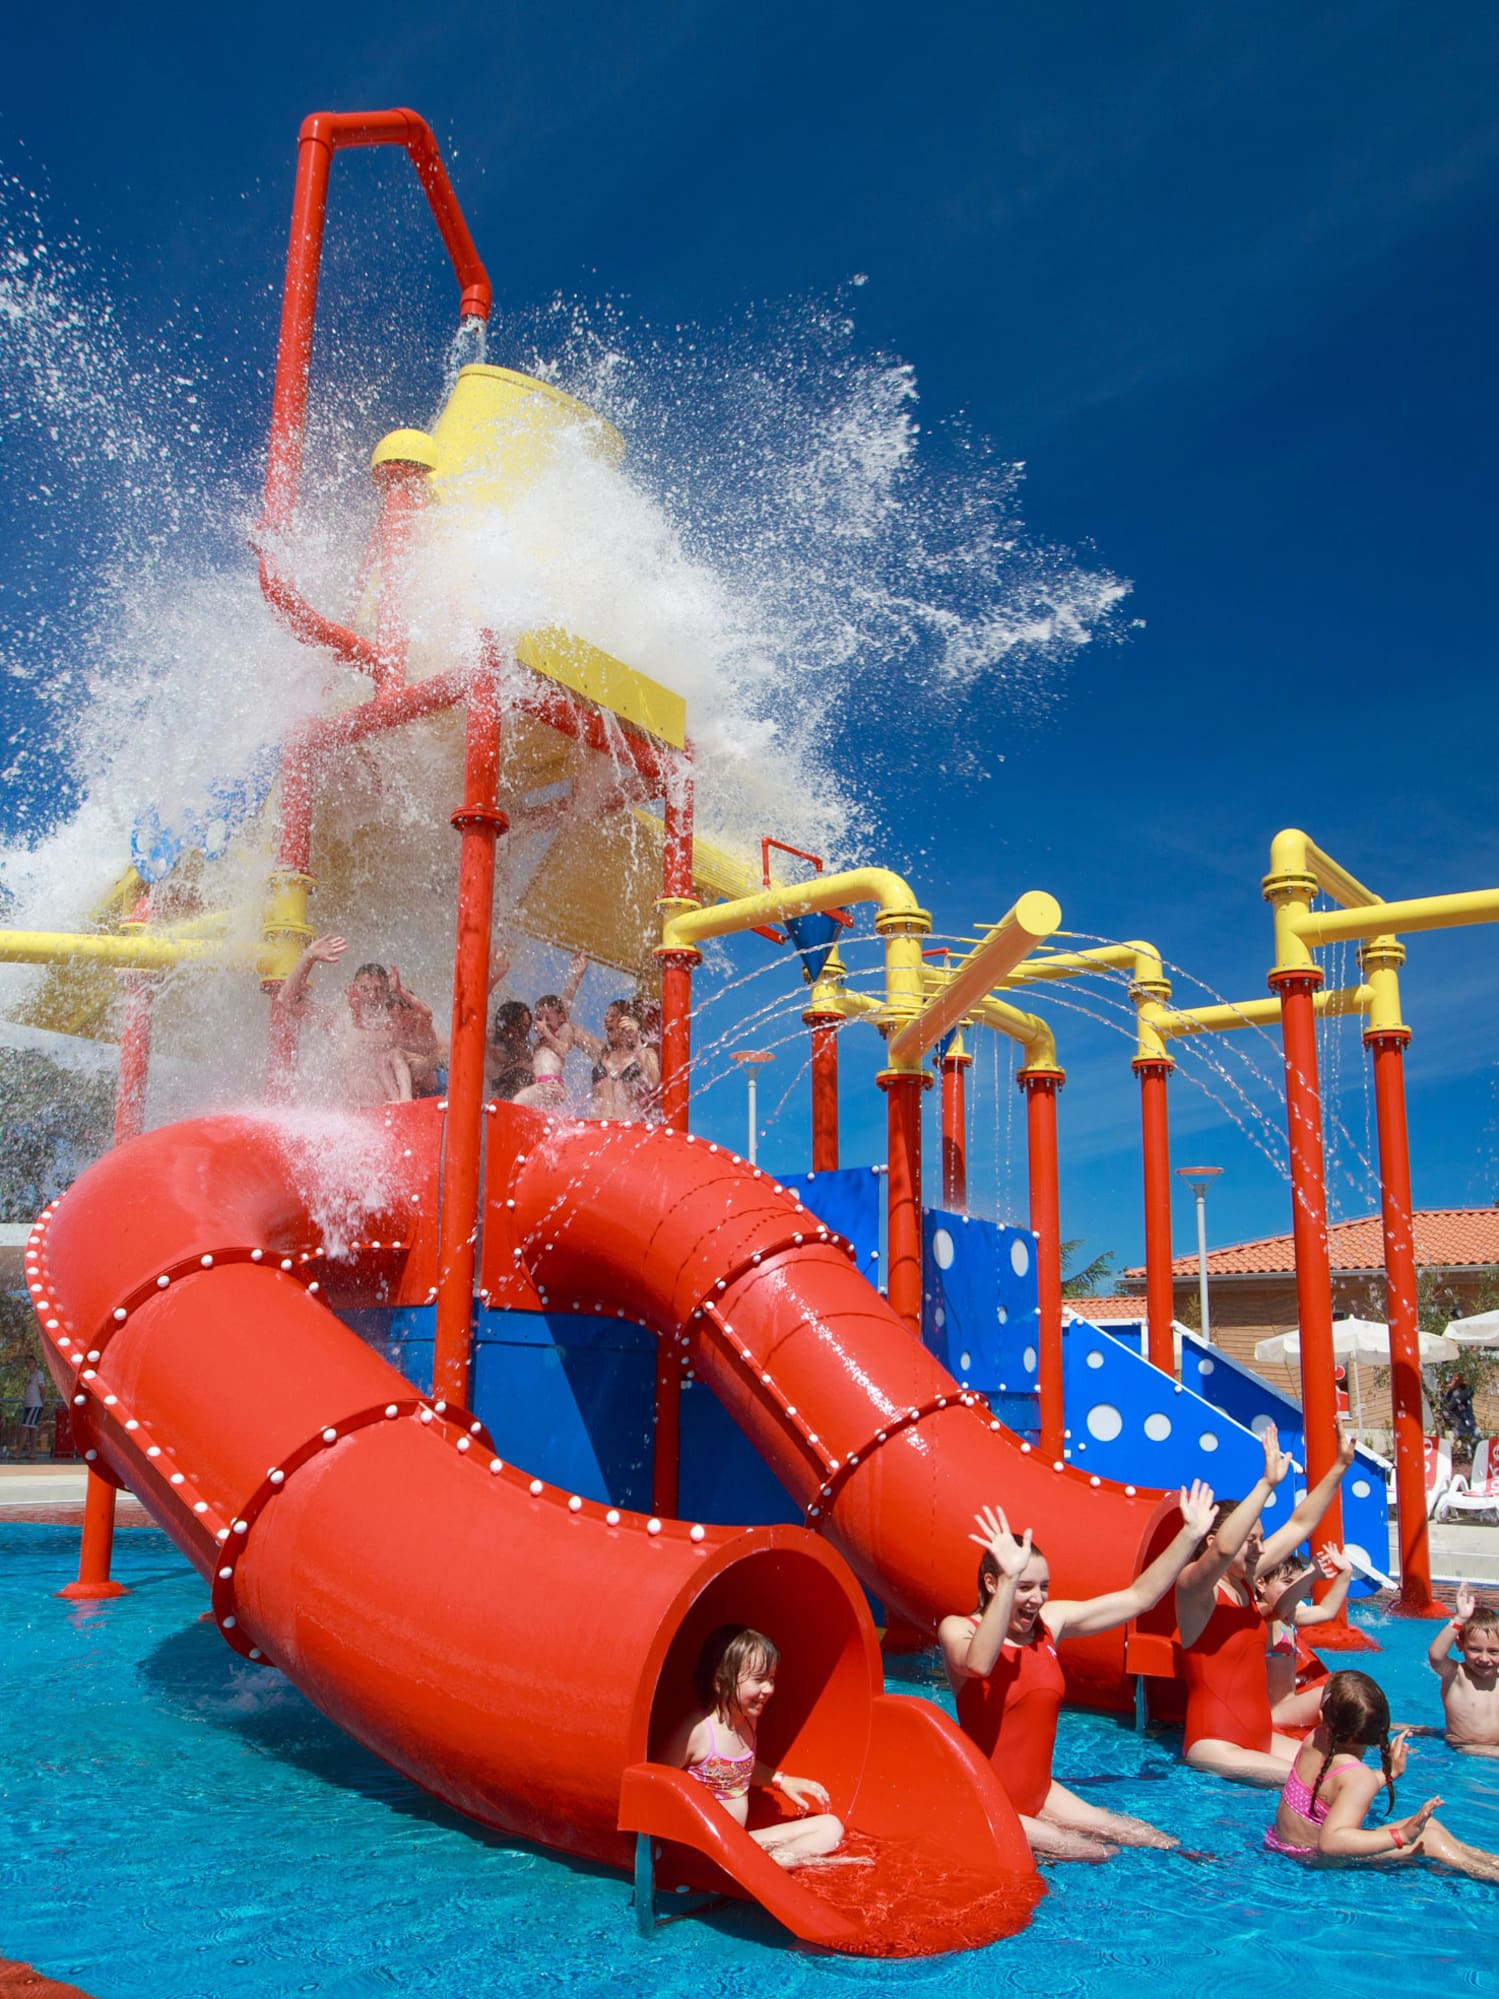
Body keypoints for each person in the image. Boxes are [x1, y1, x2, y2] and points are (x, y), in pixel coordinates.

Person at [938, 1483, 1215, 1862]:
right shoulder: (959, 1628)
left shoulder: (1050, 1624)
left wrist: (1190, 1536)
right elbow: (978, 1664)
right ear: (993, 1583)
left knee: (1151, 1838)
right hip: (987, 1800)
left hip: (1042, 1792)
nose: (1037, 1598)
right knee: (1095, 1854)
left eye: (1043, 1587)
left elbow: (1138, 1598)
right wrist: (1008, 1578)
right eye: (1025, 1586)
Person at [1174, 1420, 1358, 1786]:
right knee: (1329, 1786)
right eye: (1252, 1540)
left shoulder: (1244, 1586)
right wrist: (1266, 1483)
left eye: (1261, 1539)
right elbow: (1227, 1548)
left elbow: (1300, 1524)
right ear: (1210, 1541)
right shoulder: (1195, 1589)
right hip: (1215, 1745)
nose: (1260, 1547)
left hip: (1259, 1739)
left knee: (1356, 1773)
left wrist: (1340, 1467)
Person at [1264, 1669, 1499, 1880]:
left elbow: (1337, 1790)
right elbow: (1331, 1842)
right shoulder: (1358, 1777)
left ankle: (1493, 1863)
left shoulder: (1314, 1740)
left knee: (1432, 1827)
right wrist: (1401, 1836)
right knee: (1430, 1839)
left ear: (1325, 1718)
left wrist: (1389, 1775)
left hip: (1284, 1845)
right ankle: (1490, 1874)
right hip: (1317, 1859)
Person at [664, 1626, 864, 1869]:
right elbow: (658, 1783)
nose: (769, 1689)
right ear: (720, 1681)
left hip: (738, 1844)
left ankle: (776, 1863)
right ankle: (786, 1864)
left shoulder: (748, 1721)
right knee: (809, 1848)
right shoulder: (697, 1733)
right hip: (707, 1851)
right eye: (759, 1680)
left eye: (770, 1679)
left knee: (831, 1826)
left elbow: (737, 1770)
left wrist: (782, 1781)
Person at [275, 935, 421, 1107]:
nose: (372, 996)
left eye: (378, 989)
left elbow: (438, 1049)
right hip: (359, 1112)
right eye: (365, 989)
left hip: (400, 1109)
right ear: (355, 988)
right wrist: (308, 958)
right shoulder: (339, 1019)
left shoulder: (399, 1021)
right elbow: (287, 1000)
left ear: (387, 989)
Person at [1254, 1543, 1354, 1731]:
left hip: (1289, 1704)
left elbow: (1327, 1611)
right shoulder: (1256, 1616)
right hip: (1272, 1712)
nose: (1295, 1589)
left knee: (1352, 1690)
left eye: (1297, 1583)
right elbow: (1279, 1608)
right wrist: (1310, 1576)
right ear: (1260, 1583)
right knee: (1335, 1694)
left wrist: (1345, 1574)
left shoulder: (1290, 1617)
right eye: (1287, 1582)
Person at [1426, 1584, 1499, 1757]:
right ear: (1459, 1645)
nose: (1484, 1658)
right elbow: (1436, 1655)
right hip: (1462, 1751)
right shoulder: (1456, 1674)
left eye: (1493, 1651)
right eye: (1474, 1649)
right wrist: (1459, 1619)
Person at [572, 999, 661, 1121]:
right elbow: (571, 1029)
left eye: (613, 1016)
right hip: (597, 1128)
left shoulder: (644, 1053)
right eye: (606, 1015)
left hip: (627, 1132)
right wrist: (576, 979)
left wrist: (636, 1040)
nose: (606, 1019)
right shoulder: (602, 1053)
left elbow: (653, 1081)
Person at [20, 1362, 46, 1458]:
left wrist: (42, 1402)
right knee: (32, 1429)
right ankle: (33, 1452)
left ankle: (18, 1451)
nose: (28, 1364)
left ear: (34, 1363)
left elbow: (42, 1388)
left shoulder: (38, 1374)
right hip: (28, 1404)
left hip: (34, 1405)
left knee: (24, 1428)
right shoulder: (29, 1376)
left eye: (30, 1362)